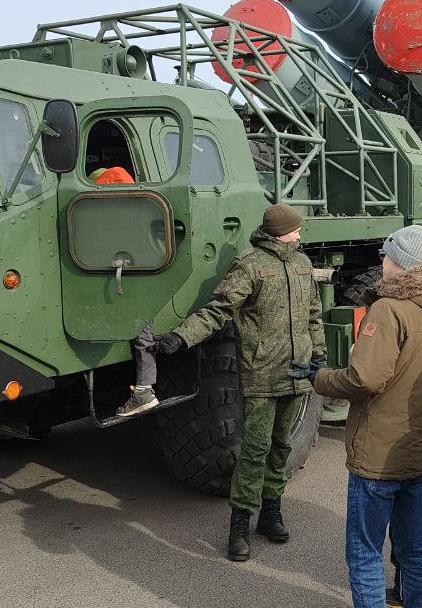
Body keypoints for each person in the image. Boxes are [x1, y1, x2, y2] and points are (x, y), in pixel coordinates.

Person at [134, 204, 325, 560]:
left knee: (282, 446)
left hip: (297, 374)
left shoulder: (302, 264)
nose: (300, 234)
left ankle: (271, 513)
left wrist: (319, 357)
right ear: (282, 231)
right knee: (253, 452)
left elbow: (313, 316)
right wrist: (181, 338)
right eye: (296, 229)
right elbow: (216, 310)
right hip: (262, 375)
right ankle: (239, 525)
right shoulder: (250, 266)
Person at [302, 224, 422, 608]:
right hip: (415, 450)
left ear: (401, 263)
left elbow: (364, 378)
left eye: (387, 255)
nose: (382, 261)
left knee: (364, 553)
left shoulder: (388, 309)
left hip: (377, 456)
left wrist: (318, 377)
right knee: (412, 548)